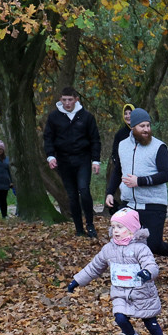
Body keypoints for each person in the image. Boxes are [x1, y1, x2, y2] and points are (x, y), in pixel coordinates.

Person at [66, 208, 168, 335]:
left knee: (151, 322)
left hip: (142, 293)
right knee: (120, 317)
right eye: (113, 227)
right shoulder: (109, 249)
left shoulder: (140, 248)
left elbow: (151, 265)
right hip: (120, 293)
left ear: (131, 230)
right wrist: (76, 281)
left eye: (120, 227)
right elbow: (94, 267)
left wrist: (147, 273)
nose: (115, 230)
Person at [105, 108, 168, 276]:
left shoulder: (158, 147)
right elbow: (118, 170)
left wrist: (139, 181)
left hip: (154, 203)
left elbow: (165, 175)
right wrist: (110, 192)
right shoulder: (122, 146)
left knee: (153, 245)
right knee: (124, 240)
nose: (146, 130)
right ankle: (131, 273)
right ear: (133, 127)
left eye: (148, 125)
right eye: (142, 126)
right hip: (129, 203)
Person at [44, 86, 102, 238]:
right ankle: (79, 228)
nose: (67, 103)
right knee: (72, 195)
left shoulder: (86, 117)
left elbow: (95, 139)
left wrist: (96, 160)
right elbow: (48, 138)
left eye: (70, 100)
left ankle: (90, 225)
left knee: (84, 190)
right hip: (63, 160)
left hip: (83, 158)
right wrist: (51, 156)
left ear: (76, 99)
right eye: (64, 100)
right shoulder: (54, 117)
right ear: (60, 100)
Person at [106, 103, 134, 216]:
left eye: (130, 113)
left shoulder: (143, 134)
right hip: (124, 172)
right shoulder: (120, 134)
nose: (127, 116)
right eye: (125, 113)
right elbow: (115, 153)